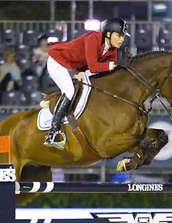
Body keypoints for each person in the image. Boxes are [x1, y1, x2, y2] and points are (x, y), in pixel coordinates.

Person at [43, 17, 130, 150]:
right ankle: (52, 133)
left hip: (74, 66)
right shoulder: (93, 38)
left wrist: (123, 69)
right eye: (119, 35)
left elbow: (108, 73)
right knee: (70, 91)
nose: (122, 39)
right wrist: (115, 65)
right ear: (108, 33)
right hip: (58, 62)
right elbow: (94, 67)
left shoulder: (112, 50)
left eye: (123, 36)